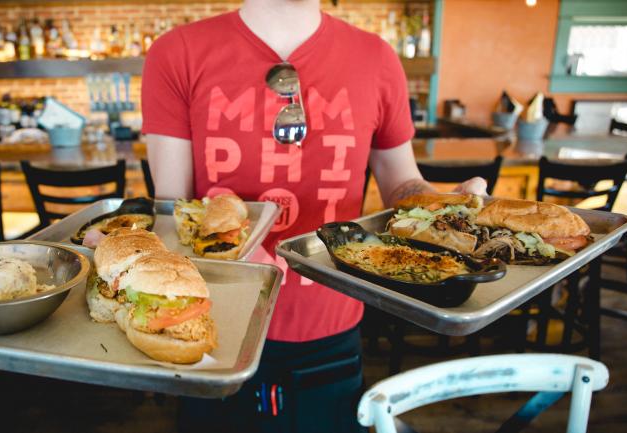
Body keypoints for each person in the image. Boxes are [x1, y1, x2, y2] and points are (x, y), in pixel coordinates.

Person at [141, 1, 487, 431]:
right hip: (218, 325)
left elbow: (402, 186)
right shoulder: (178, 52)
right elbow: (170, 211)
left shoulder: (376, 57)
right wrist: (235, 256)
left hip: (332, 326)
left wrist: (441, 206)